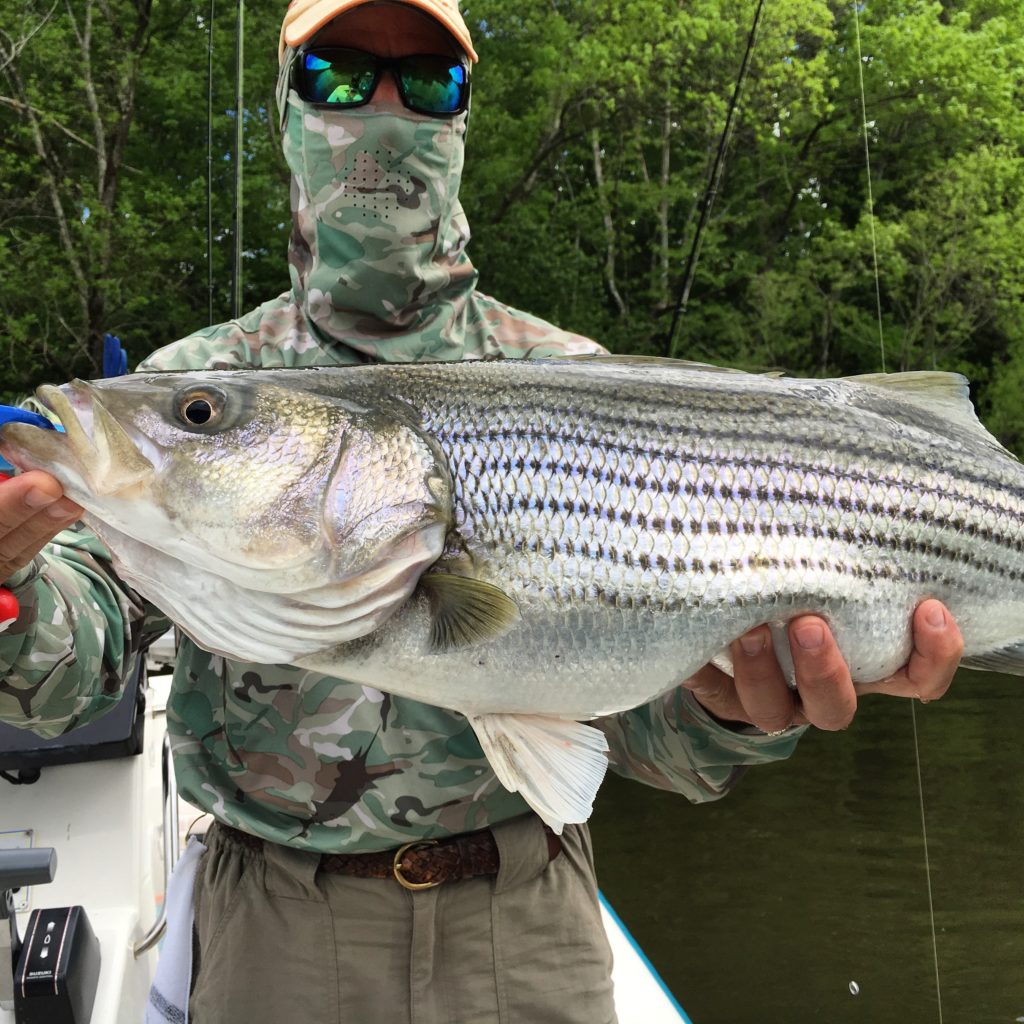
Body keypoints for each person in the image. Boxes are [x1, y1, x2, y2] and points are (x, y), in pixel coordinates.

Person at [0, 1, 964, 1021]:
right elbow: (73, 677)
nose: (382, 110)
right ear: (285, 110)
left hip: (529, 917)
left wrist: (733, 708)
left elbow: (647, 738)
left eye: (427, 81)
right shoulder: (190, 379)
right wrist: (10, 591)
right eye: (337, 77)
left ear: (461, 118)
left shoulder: (572, 378)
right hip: (276, 922)